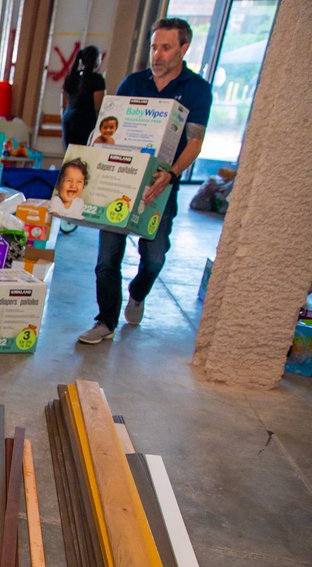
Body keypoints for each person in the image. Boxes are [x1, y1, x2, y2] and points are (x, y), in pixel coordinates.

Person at [78, 17, 212, 345]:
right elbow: (112, 127)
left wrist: (172, 173)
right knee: (106, 259)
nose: (158, 54)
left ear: (184, 48)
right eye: (154, 47)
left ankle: (137, 292)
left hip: (162, 184)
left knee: (154, 257)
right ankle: (105, 319)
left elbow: (195, 141)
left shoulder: (196, 90)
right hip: (122, 180)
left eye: (166, 48)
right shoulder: (133, 84)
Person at [61, 45, 105, 148]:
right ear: (97, 61)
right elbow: (99, 106)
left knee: (69, 154)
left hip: (68, 119)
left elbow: (63, 105)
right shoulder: (97, 79)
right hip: (86, 121)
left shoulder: (71, 76)